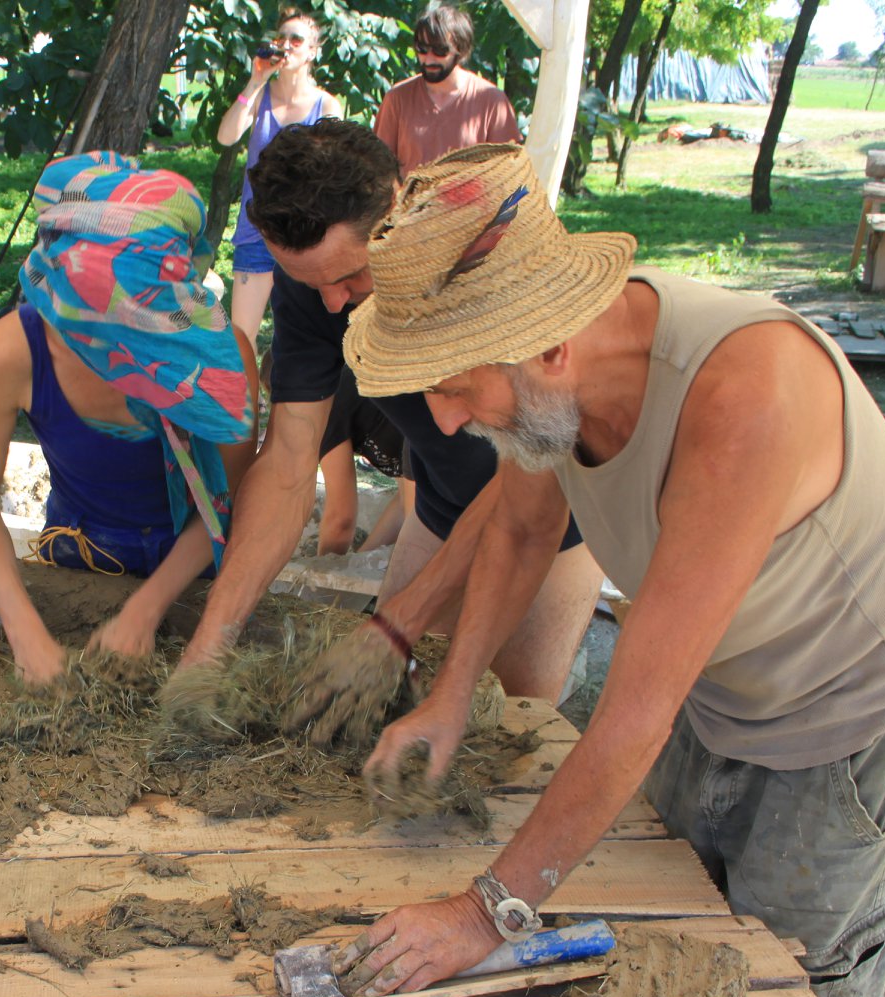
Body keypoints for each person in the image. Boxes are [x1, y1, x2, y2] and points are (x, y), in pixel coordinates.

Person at [319, 144, 885, 997]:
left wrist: (485, 912)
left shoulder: (744, 395)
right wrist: (449, 695)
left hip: (852, 718)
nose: (439, 420)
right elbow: (524, 533)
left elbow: (633, 714)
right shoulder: (557, 393)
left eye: (451, 386)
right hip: (724, 692)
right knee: (670, 943)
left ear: (548, 350)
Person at [171, 120, 602, 707]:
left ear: (396, 212)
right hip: (438, 506)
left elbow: (524, 485)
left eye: (350, 277)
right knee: (384, 709)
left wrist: (398, 622)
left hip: (547, 524)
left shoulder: (480, 264)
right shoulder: (316, 284)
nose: (331, 303)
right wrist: (209, 644)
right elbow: (290, 464)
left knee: (505, 723)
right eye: (306, 282)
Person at [0, 154, 257, 686]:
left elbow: (222, 502)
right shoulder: (11, 352)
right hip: (82, 559)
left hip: (195, 570)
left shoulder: (218, 361)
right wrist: (25, 633)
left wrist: (148, 608)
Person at [215, 7, 341, 345]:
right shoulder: (260, 99)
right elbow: (226, 137)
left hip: (304, 236)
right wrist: (256, 81)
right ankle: (249, 401)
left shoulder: (326, 106)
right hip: (256, 233)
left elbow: (332, 178)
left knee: (304, 341)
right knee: (242, 339)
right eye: (281, 37)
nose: (286, 44)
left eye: (296, 39)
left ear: (313, 51)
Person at [374, 3, 518, 177]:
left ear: (461, 51)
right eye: (422, 49)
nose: (428, 59)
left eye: (440, 51)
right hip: (410, 203)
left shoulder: (492, 102)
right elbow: (379, 171)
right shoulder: (397, 98)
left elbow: (508, 176)